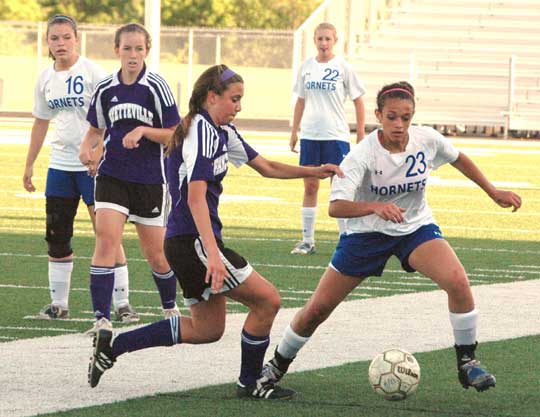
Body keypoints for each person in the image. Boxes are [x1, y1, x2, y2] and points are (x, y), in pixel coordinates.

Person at [87, 64, 343, 399]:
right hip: (193, 239)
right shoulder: (202, 131)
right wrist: (214, 256)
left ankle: (113, 347)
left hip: (186, 240)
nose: (239, 106)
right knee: (267, 301)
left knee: (207, 329)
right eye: (234, 99)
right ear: (212, 97)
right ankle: (251, 384)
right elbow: (195, 199)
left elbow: (266, 166)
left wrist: (314, 171)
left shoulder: (218, 130)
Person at [260, 81, 522, 393]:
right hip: (366, 235)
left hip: (414, 227)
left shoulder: (426, 139)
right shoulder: (361, 155)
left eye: (406, 117)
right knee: (317, 309)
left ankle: (468, 363)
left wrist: (493, 191)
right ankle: (274, 368)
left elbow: (458, 157)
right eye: (392, 117)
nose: (399, 125)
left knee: (458, 281)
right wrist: (375, 207)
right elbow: (335, 207)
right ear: (378, 116)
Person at [23, 14, 138, 323]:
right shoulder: (45, 78)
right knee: (56, 235)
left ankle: (123, 303)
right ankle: (58, 304)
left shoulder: (93, 74)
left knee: (107, 233)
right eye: (54, 38)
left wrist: (99, 151)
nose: (60, 43)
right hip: (60, 166)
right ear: (47, 42)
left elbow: (111, 119)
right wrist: (30, 163)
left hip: (93, 167)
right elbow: (41, 122)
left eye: (65, 37)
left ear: (76, 39)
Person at [79, 23, 181, 334]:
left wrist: (144, 131)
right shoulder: (106, 88)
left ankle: (169, 308)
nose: (133, 54)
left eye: (139, 48)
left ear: (147, 51)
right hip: (112, 176)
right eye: (127, 48)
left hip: (149, 181)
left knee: (157, 256)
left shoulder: (156, 87)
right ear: (116, 50)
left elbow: (176, 134)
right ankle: (101, 319)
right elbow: (95, 130)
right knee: (106, 240)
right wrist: (87, 150)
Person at [290, 22, 366, 255]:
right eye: (320, 39)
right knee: (310, 186)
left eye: (328, 39)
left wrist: (360, 132)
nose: (324, 43)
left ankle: (345, 239)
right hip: (311, 136)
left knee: (339, 188)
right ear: (314, 40)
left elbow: (358, 100)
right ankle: (307, 240)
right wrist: (295, 131)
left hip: (336, 136)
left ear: (335, 41)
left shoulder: (344, 68)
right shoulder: (306, 67)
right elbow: (301, 100)